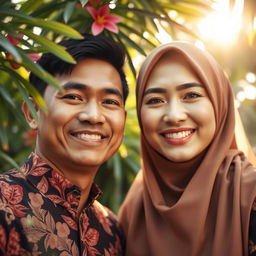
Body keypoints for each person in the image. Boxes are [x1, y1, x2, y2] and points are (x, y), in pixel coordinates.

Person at [118, 42, 256, 256]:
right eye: (155, 100)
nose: (174, 115)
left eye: (191, 95)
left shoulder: (249, 195)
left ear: (219, 102)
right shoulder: (136, 205)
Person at [0, 34, 128, 255]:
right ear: (33, 112)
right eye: (73, 97)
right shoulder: (3, 205)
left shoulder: (112, 231)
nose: (94, 116)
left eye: (109, 102)